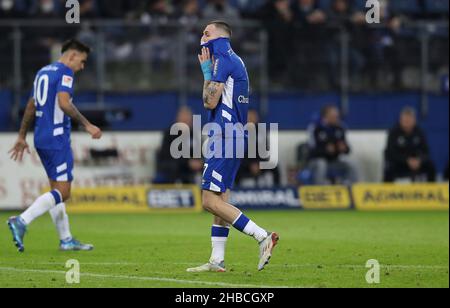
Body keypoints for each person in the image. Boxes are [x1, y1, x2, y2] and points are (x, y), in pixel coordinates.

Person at [186, 21, 279, 273]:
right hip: (233, 134)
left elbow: (209, 102)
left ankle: (262, 236)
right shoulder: (234, 59)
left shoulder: (223, 59)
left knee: (208, 200)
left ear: (219, 36)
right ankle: (217, 260)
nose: (202, 37)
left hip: (225, 136)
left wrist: (206, 73)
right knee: (220, 199)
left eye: (206, 32)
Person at [7, 39, 102, 253]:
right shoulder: (65, 72)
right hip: (57, 138)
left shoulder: (43, 72)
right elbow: (64, 103)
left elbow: (31, 105)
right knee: (64, 191)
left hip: (41, 137)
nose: (82, 66)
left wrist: (22, 136)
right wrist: (87, 125)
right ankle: (21, 220)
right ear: (72, 56)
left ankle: (66, 239)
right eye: (82, 61)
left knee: (56, 189)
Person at [308, 105, 358, 185]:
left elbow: (347, 149)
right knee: (321, 164)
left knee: (351, 164)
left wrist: (344, 149)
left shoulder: (340, 128)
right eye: (334, 116)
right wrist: (325, 150)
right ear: (326, 116)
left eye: (337, 116)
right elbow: (312, 150)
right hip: (316, 161)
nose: (337, 118)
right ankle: (319, 190)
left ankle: (350, 189)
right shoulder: (316, 128)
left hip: (334, 161)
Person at [384, 107, 437, 182]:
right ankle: (387, 191)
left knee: (431, 166)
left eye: (409, 120)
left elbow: (426, 151)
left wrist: (419, 160)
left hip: (416, 163)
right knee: (389, 169)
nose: (407, 123)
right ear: (400, 120)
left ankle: (431, 191)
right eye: (405, 120)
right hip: (400, 163)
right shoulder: (394, 132)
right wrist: (406, 160)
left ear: (414, 121)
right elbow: (390, 153)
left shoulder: (419, 132)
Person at [155, 106, 203, 185]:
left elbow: (198, 155)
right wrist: (187, 163)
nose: (186, 122)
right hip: (173, 169)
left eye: (188, 120)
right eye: (183, 120)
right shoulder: (169, 134)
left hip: (190, 172)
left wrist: (199, 163)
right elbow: (166, 156)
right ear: (177, 119)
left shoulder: (194, 135)